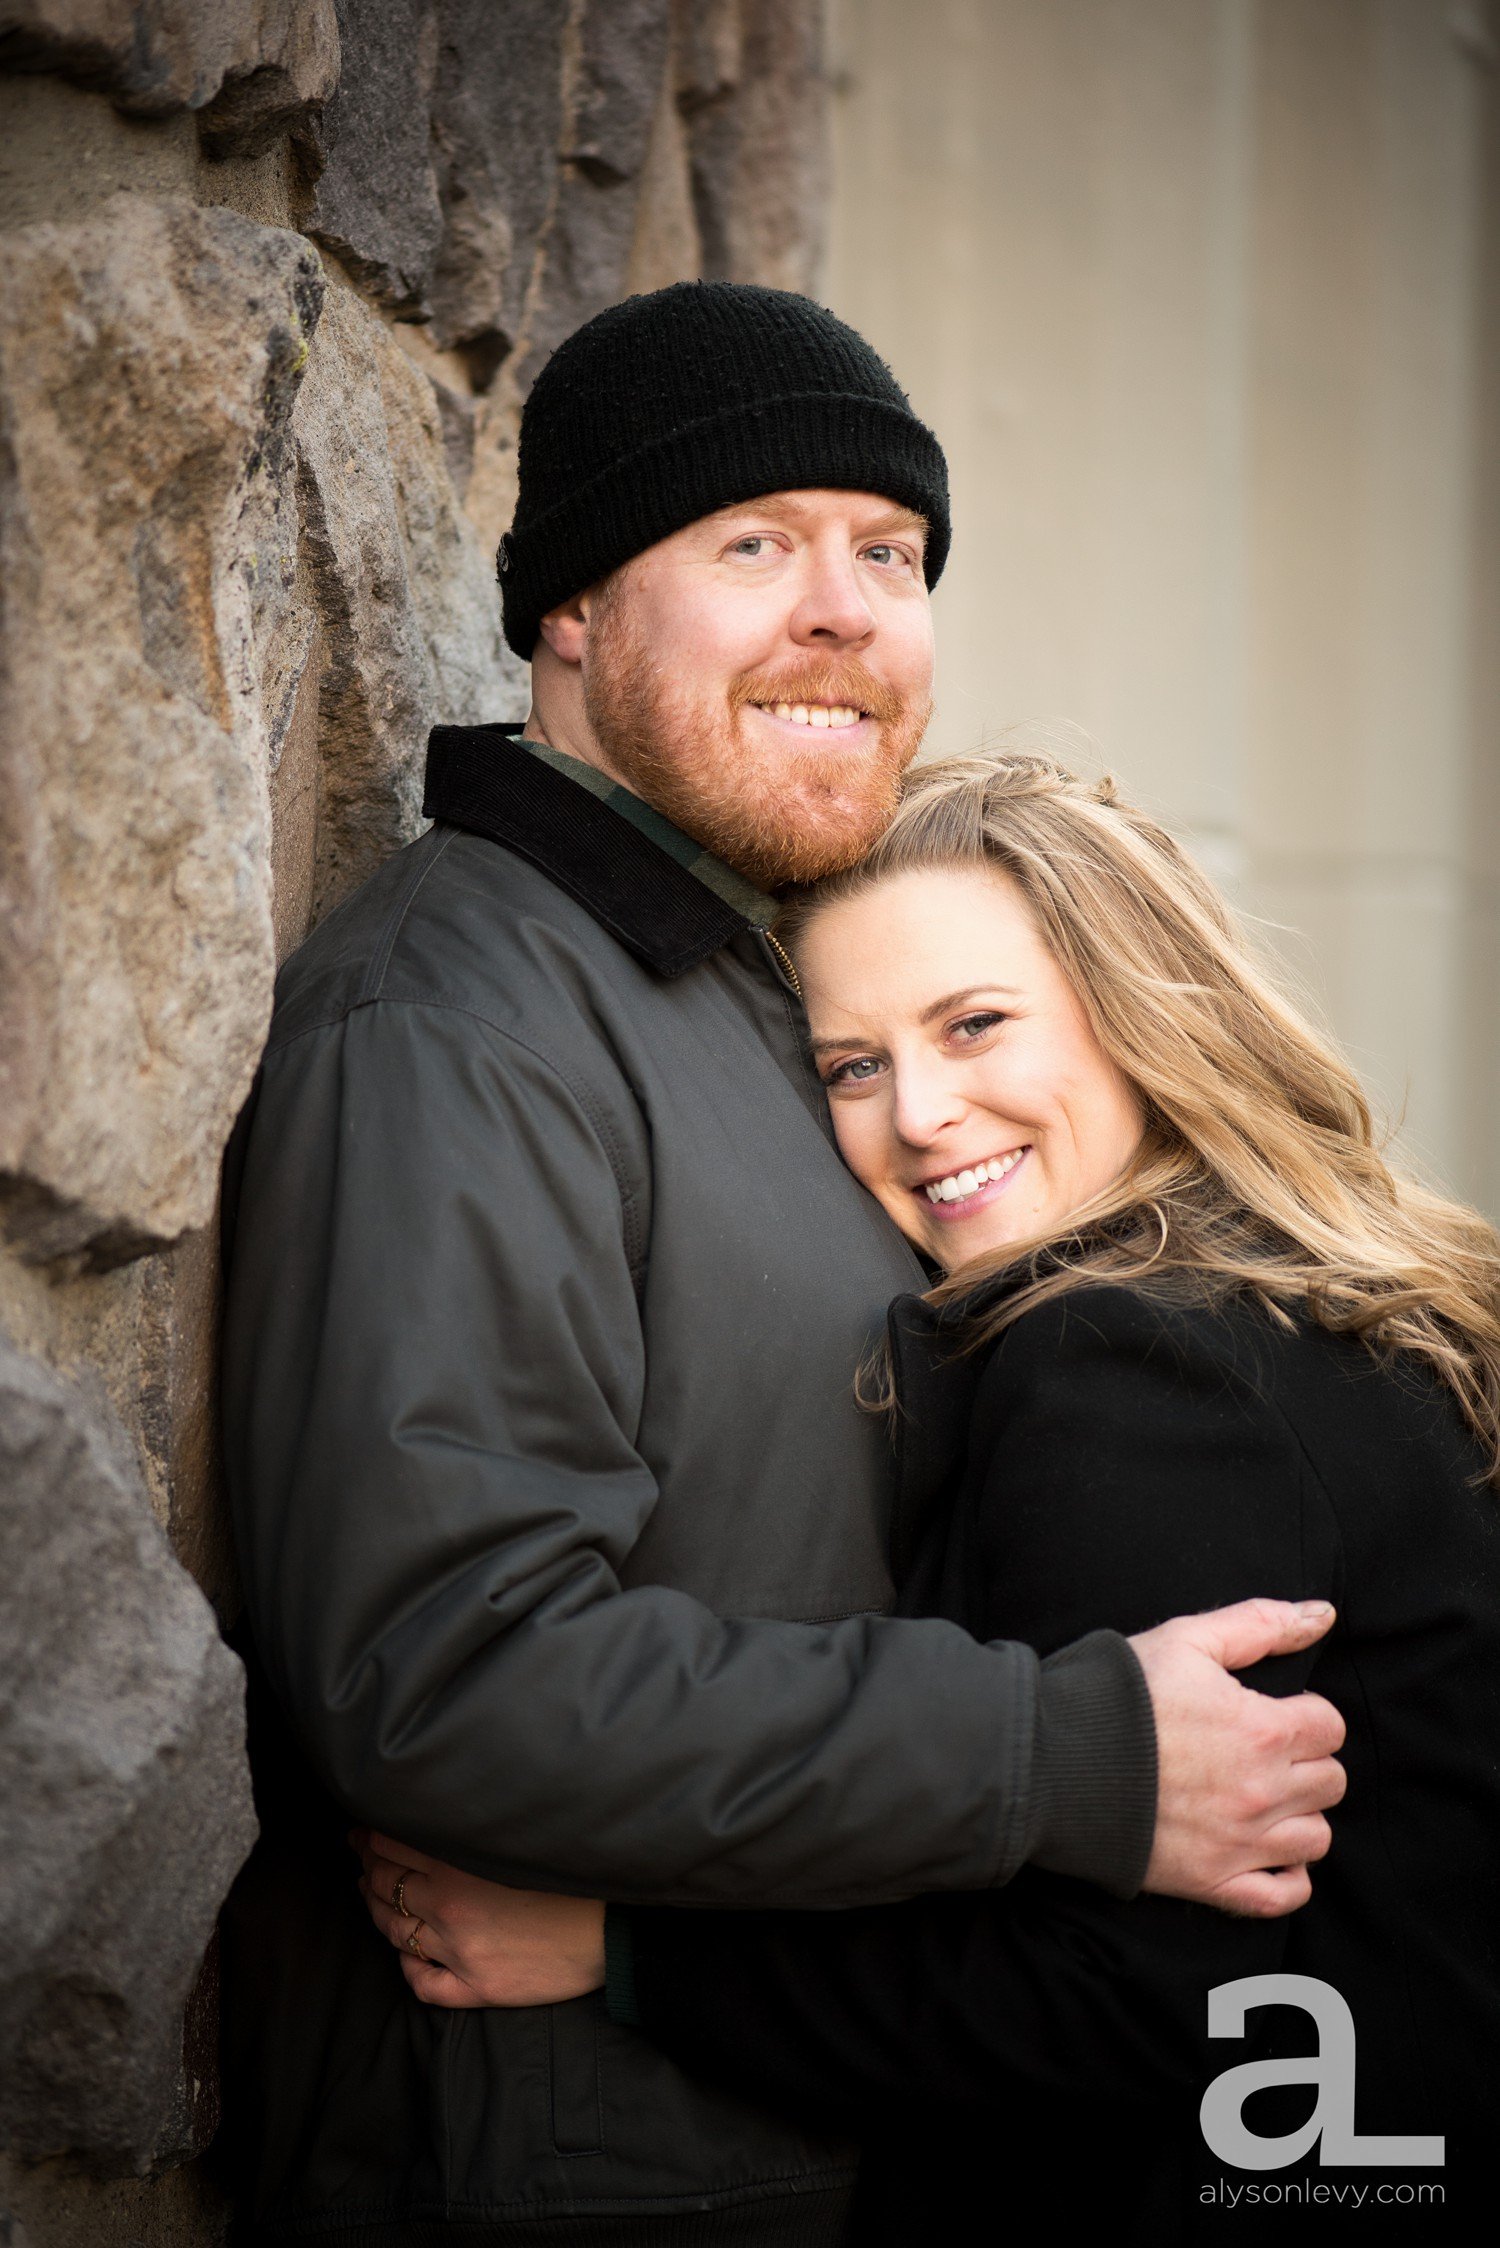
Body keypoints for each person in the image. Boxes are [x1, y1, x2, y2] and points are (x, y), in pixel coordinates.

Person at [219, 285, 1344, 2248]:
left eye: (889, 555)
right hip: (562, 2174)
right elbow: (449, 1675)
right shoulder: (459, 1018)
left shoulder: (789, 983)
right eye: (754, 544)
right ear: (567, 607)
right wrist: (1064, 1751)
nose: (844, 612)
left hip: (810, 2128)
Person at [355, 751, 1500, 2238]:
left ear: (1139, 1007)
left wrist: (623, 1950)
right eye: (852, 1065)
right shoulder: (1318, 1309)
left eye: (975, 1027)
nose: (919, 1115)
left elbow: (1150, 2001)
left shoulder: (1139, 1361)